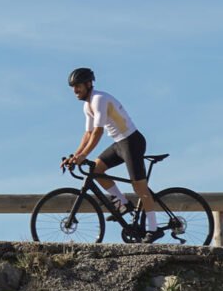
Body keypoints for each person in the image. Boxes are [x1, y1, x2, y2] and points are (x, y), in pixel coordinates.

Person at [62, 67, 161, 233]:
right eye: (73, 87)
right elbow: (88, 134)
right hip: (119, 143)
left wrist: (83, 155)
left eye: (78, 85)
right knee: (97, 169)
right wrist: (75, 155)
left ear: (88, 84)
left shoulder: (99, 99)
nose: (75, 90)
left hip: (132, 141)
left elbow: (98, 131)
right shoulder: (87, 106)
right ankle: (123, 203)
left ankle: (153, 228)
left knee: (139, 187)